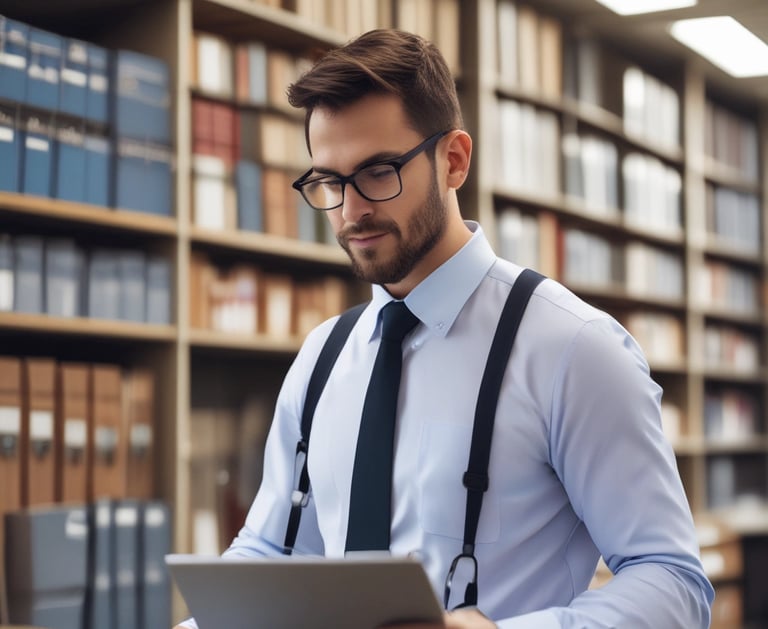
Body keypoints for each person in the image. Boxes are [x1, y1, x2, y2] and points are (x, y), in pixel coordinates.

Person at [175, 28, 713, 628]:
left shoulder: (573, 348)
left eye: (378, 172)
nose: (351, 211)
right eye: (329, 181)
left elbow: (673, 581)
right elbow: (270, 552)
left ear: (453, 160)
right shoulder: (322, 357)